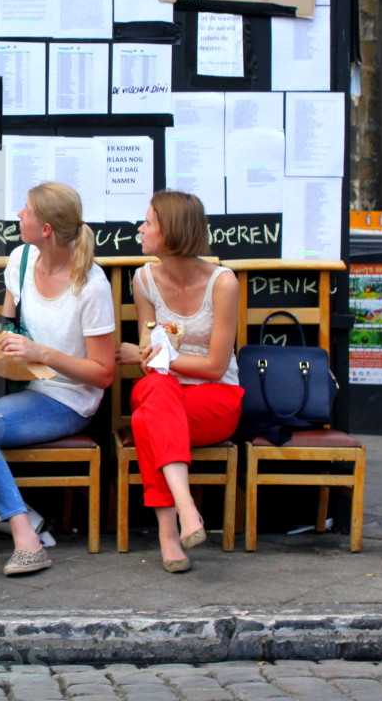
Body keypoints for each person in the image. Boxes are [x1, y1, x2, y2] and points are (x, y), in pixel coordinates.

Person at [0, 182, 115, 576]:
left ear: (45, 228)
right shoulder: (21, 260)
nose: (18, 215)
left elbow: (103, 373)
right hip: (18, 377)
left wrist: (42, 353)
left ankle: (22, 530)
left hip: (65, 397)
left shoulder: (91, 287)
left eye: (25, 211)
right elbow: (1, 339)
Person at [115, 190, 243, 574]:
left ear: (169, 232)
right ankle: (187, 510)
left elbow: (216, 367)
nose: (141, 228)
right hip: (162, 390)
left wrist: (151, 356)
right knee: (157, 390)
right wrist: (145, 356)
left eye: (149, 222)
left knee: (144, 422)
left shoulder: (223, 283)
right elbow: (150, 358)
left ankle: (169, 534)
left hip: (215, 400)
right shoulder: (144, 280)